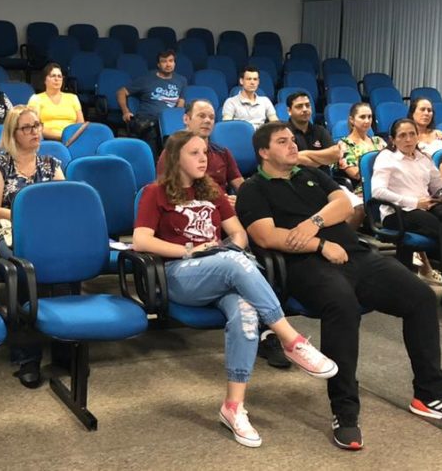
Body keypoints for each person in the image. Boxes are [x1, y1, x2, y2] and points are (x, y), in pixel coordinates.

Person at [237, 122, 442, 450]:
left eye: (293, 140)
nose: (293, 146)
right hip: (305, 264)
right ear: (263, 152)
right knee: (343, 306)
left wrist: (313, 223)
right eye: (283, 142)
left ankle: (430, 393)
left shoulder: (310, 173)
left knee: (421, 297)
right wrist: (321, 244)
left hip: (355, 254)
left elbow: (345, 203)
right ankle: (345, 411)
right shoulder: (253, 189)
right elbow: (267, 236)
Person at [134, 131, 337, 448]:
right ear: (175, 158)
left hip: (221, 269)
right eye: (194, 153)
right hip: (178, 274)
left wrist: (225, 248)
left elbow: (239, 234)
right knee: (234, 262)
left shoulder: (212, 190)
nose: (203, 158)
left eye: (205, 152)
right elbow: (141, 241)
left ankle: (233, 406)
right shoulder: (155, 192)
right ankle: (290, 339)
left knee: (245, 313)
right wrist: (191, 251)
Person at [0, 106, 65, 388]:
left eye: (37, 125)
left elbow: (63, 201)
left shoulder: (51, 163)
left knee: (66, 258)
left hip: (42, 231)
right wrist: (26, 216)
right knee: (23, 266)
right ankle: (27, 355)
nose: (35, 131)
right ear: (12, 133)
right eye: (27, 127)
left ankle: (65, 344)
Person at [373, 119, 442, 320]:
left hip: (426, 206)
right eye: (402, 135)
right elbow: (377, 191)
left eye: (412, 134)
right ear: (393, 139)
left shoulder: (423, 158)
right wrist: (413, 202)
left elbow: (439, 185)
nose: (408, 139)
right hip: (397, 213)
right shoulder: (386, 158)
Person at [156, 99, 242, 202]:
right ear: (186, 119)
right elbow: (166, 193)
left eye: (212, 117)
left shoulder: (223, 152)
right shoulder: (171, 153)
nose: (208, 121)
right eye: (201, 116)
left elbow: (241, 186)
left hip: (224, 207)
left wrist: (240, 201)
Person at [117, 49, 187, 155]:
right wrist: (125, 111)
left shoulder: (181, 80)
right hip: (148, 122)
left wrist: (175, 119)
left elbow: (181, 102)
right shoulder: (146, 79)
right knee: (152, 139)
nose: (168, 64)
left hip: (169, 121)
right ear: (158, 64)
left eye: (171, 61)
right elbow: (121, 92)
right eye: (164, 61)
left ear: (174, 63)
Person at [284, 91, 340, 172]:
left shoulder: (320, 130)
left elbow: (336, 154)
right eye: (299, 106)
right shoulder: (284, 132)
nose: (305, 109)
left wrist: (305, 154)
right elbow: (289, 160)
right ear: (289, 111)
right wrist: (323, 159)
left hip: (324, 177)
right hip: (297, 178)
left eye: (307, 105)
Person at [337, 102, 385, 195]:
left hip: (386, 185)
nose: (367, 121)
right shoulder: (344, 145)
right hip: (364, 190)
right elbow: (356, 174)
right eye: (362, 117)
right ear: (352, 120)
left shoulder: (379, 141)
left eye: (369, 117)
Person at [27, 62, 83, 141]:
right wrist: (62, 136)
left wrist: (71, 137)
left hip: (73, 139)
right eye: (53, 76)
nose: (56, 79)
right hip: (48, 140)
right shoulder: (36, 99)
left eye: (59, 76)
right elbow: (36, 126)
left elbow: (80, 124)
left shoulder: (73, 98)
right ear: (45, 80)